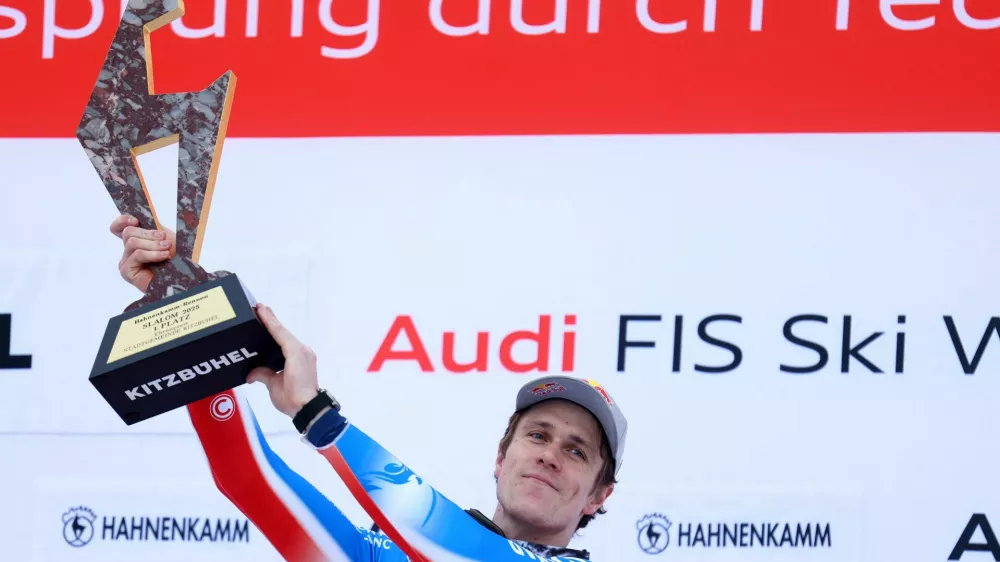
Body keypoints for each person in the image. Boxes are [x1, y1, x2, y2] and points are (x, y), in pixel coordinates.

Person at [109, 214, 628, 561]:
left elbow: (448, 541)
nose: (550, 456)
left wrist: (317, 416)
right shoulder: (389, 551)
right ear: (500, 456)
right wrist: (181, 317)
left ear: (598, 497)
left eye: (577, 450)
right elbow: (249, 477)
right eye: (537, 435)